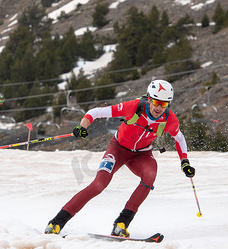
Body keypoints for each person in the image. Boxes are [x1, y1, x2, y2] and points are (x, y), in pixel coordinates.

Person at [45, 79, 195, 237]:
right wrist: (83, 126)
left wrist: (184, 162)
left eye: (164, 104)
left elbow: (179, 138)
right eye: (157, 102)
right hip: (118, 149)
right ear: (150, 99)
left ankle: (121, 224)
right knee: (98, 185)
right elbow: (95, 113)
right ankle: (56, 222)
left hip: (142, 155)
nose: (159, 108)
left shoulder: (170, 120)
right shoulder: (134, 107)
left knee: (150, 174)